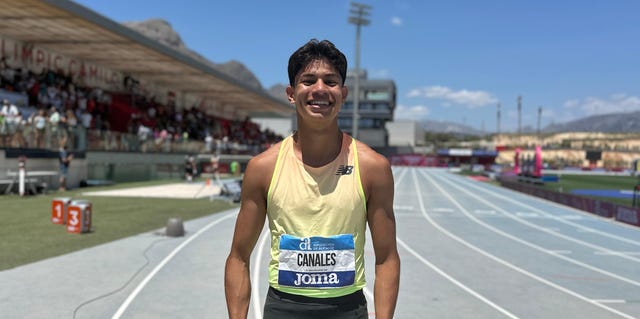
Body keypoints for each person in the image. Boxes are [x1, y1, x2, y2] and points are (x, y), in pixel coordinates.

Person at [225, 39, 400, 319]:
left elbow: (387, 258)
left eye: (330, 81)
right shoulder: (263, 168)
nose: (320, 89)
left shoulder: (372, 168)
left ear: (342, 94)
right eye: (308, 80)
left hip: (347, 309)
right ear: (292, 94)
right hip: (283, 308)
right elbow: (238, 257)